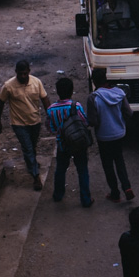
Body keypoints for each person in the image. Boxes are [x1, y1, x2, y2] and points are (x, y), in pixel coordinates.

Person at [0, 60, 50, 191]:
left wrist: (50, 116)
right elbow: (0, 103)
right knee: (27, 148)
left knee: (32, 146)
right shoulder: (8, 86)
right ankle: (36, 176)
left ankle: (31, 164)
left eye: (25, 74)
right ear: (16, 73)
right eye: (20, 74)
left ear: (29, 72)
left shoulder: (36, 82)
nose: (23, 77)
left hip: (35, 121)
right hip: (18, 123)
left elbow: (45, 99)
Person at [87, 67, 135, 202]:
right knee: (119, 161)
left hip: (103, 137)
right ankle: (127, 187)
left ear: (94, 81)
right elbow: (129, 113)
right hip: (119, 134)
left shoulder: (93, 98)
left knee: (108, 165)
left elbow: (93, 121)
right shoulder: (119, 93)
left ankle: (115, 193)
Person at [46, 77, 94, 207]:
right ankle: (85, 199)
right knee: (82, 170)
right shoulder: (76, 106)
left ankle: (58, 194)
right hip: (78, 143)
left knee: (60, 170)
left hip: (62, 144)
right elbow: (85, 122)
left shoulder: (51, 109)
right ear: (72, 91)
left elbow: (51, 129)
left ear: (57, 91)